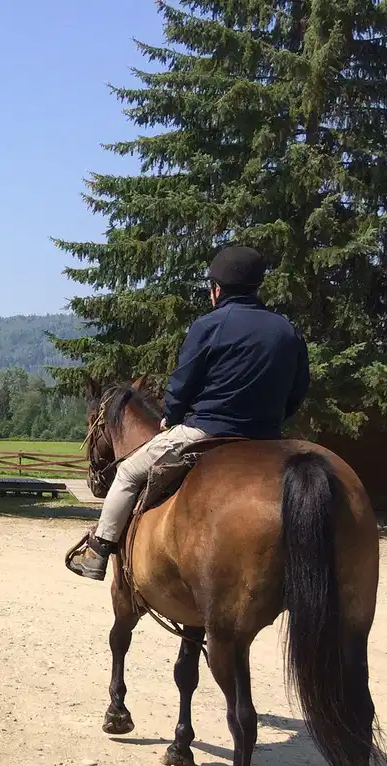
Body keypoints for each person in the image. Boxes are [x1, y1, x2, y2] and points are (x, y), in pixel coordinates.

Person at [68, 245, 310, 580]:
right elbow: (297, 391)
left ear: (217, 289)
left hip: (207, 430)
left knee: (126, 474)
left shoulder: (210, 325)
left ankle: (97, 552)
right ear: (256, 287)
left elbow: (183, 381)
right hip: (266, 437)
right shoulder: (287, 330)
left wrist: (173, 414)